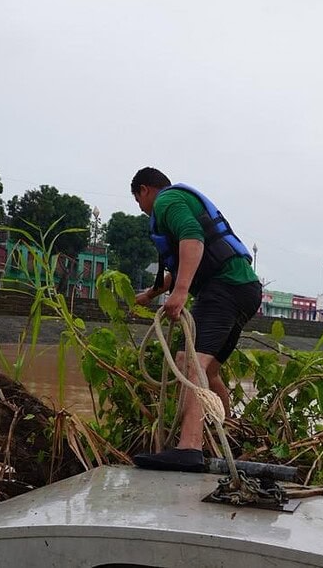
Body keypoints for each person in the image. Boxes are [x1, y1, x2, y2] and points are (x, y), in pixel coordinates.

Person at [129, 167, 262, 472]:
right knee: (209, 370)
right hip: (245, 289)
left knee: (189, 362)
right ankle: (225, 434)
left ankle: (189, 448)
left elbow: (193, 237)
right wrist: (150, 295)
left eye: (138, 200)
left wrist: (180, 293)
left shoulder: (166, 201)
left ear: (145, 190)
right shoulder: (179, 202)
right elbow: (183, 262)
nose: (141, 208)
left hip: (224, 288)